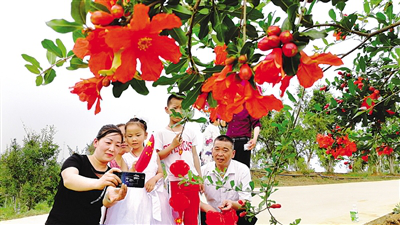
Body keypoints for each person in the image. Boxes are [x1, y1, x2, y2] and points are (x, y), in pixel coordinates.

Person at [45, 124, 128, 225]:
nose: (112, 148)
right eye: (108, 142)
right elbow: (69, 180)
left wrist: (113, 198)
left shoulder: (111, 174)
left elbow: (105, 201)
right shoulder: (77, 160)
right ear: (96, 142)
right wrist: (98, 183)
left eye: (117, 145)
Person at [104, 118, 174, 224]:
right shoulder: (126, 157)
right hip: (131, 199)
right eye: (130, 136)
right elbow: (125, 178)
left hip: (151, 194)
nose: (134, 139)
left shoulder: (154, 155)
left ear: (145, 135)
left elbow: (161, 173)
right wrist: (132, 170)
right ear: (125, 138)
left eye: (138, 135)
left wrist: (153, 179)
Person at [155, 94, 202, 225]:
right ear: (167, 109)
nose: (179, 111)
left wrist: (200, 178)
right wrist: (172, 146)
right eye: (175, 107)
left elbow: (194, 156)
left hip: (192, 180)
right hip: (174, 181)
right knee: (175, 217)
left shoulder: (190, 132)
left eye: (183, 108)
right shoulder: (161, 134)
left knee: (192, 217)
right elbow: (158, 156)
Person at [200, 135, 257, 225]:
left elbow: (246, 202)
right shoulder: (203, 171)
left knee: (248, 217)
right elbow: (194, 198)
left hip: (235, 213)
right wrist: (210, 210)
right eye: (217, 149)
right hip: (211, 213)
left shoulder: (242, 170)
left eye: (225, 150)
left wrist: (232, 204)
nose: (220, 154)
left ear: (233, 154)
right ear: (212, 151)